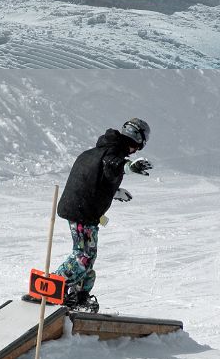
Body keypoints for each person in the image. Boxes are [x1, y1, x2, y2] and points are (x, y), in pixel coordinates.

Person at [43, 118, 152, 312]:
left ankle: (79, 296)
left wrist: (114, 192)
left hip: (82, 209)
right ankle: (50, 287)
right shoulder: (113, 152)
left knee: (88, 256)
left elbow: (98, 176)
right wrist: (128, 167)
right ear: (138, 141)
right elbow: (113, 164)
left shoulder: (100, 149)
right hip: (83, 211)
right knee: (83, 256)